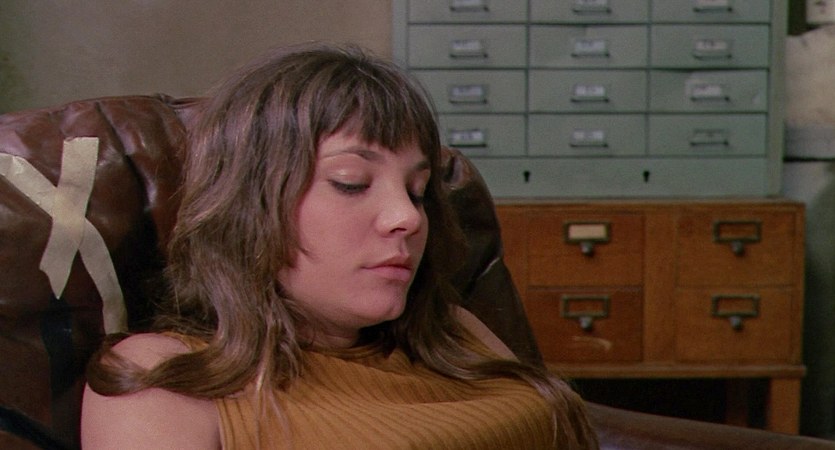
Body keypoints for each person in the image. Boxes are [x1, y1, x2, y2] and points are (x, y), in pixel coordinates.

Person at [81, 43, 598, 449]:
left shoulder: (453, 331)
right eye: (352, 182)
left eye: (418, 191)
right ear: (249, 205)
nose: (407, 217)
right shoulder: (163, 377)